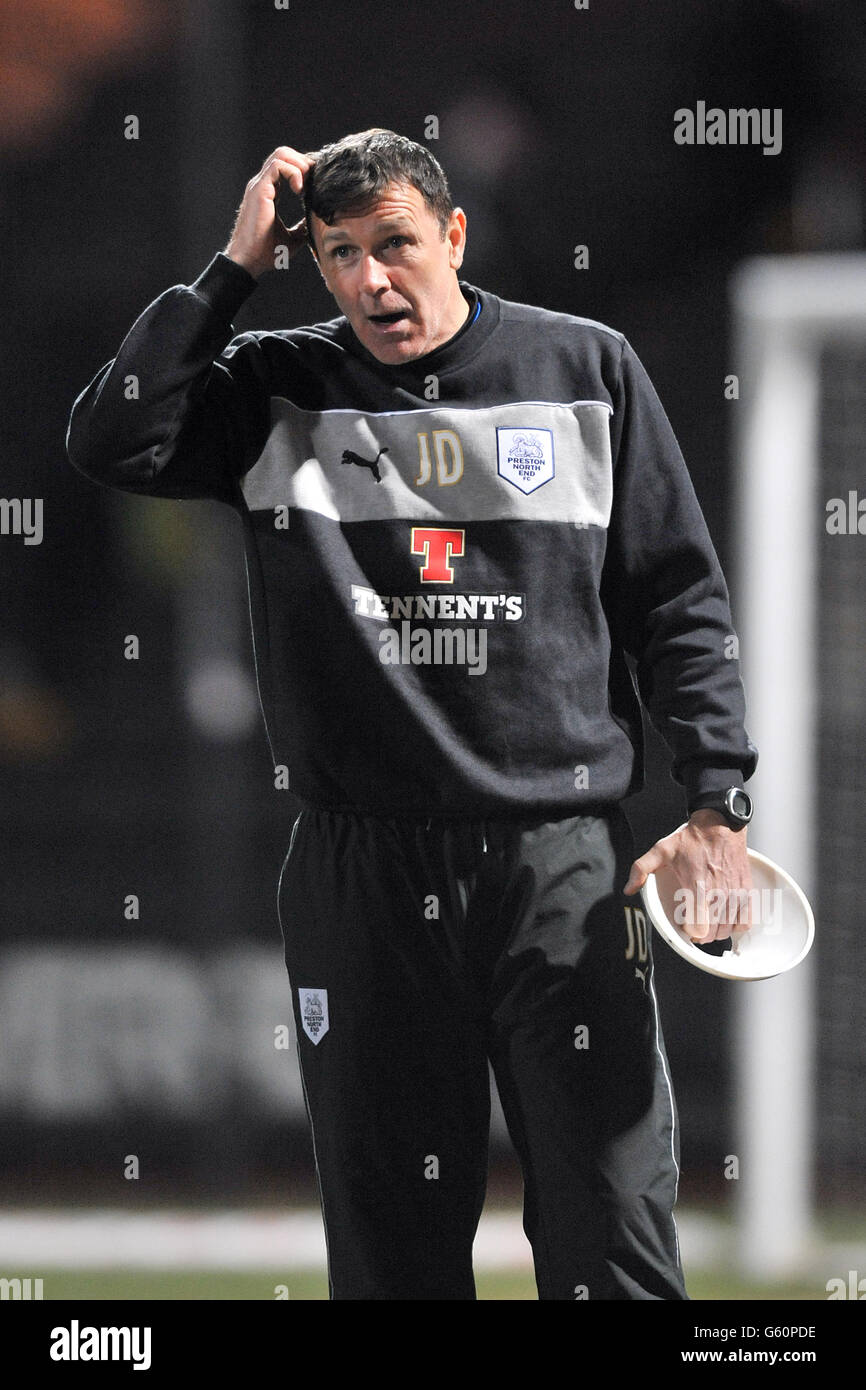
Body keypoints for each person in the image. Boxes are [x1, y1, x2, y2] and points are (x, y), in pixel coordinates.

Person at [65, 128, 758, 1301]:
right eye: (338, 256)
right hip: (359, 873)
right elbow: (110, 435)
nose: (371, 280)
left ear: (453, 235)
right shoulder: (271, 386)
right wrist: (229, 272)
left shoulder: (585, 370)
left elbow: (678, 606)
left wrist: (715, 802)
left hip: (557, 874)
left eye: (394, 246)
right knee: (392, 1259)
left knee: (613, 1241)